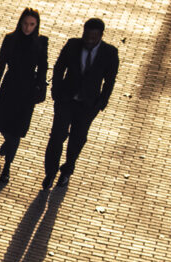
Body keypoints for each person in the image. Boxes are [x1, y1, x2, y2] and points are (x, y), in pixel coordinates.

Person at [43, 18, 118, 189]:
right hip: (66, 100)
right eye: (87, 35)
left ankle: (67, 170)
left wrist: (101, 103)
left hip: (88, 105)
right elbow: (59, 67)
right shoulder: (72, 45)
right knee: (56, 137)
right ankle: (50, 172)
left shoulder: (110, 53)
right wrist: (56, 90)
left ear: (100, 35)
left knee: (77, 139)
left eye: (93, 37)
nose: (89, 40)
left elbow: (109, 81)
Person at [0, 8, 48, 185]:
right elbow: (0, 64)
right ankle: (8, 143)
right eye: (25, 23)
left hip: (27, 90)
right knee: (2, 125)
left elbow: (43, 67)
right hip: (10, 86)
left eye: (31, 24)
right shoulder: (10, 39)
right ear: (20, 22)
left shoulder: (41, 42)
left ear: (36, 25)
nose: (27, 28)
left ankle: (7, 168)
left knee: (17, 130)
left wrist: (39, 87)